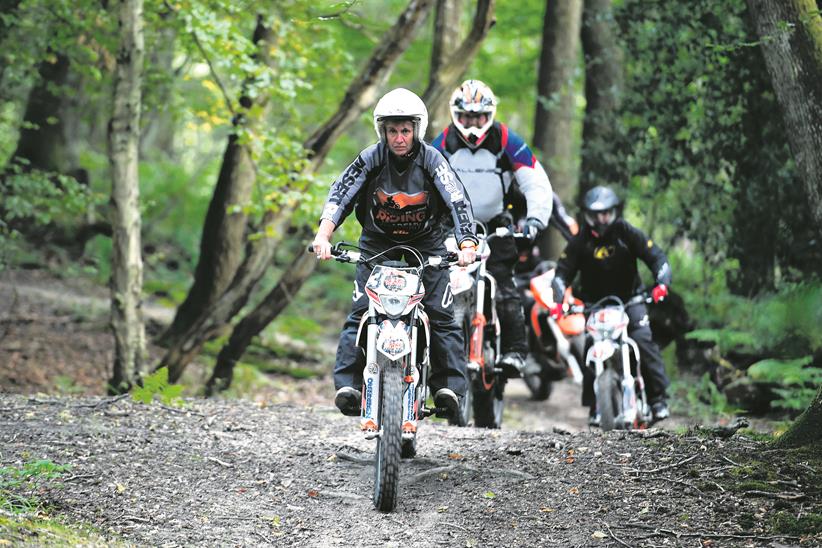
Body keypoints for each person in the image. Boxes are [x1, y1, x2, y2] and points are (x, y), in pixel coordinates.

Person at [312, 87, 478, 419]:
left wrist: (467, 243)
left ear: (417, 129)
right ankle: (350, 386)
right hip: (377, 241)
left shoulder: (432, 159)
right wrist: (323, 234)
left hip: (427, 241)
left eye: (405, 130)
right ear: (383, 132)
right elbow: (341, 194)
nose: (399, 138)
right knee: (362, 311)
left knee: (441, 314)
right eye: (392, 130)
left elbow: (456, 198)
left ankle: (449, 389)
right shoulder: (371, 158)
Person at [431, 79, 553, 377]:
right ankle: (433, 357)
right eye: (467, 117)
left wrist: (535, 218)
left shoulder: (508, 141)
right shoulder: (441, 143)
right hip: (453, 226)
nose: (473, 124)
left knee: (504, 285)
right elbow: (423, 182)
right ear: (455, 115)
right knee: (437, 284)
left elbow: (535, 181)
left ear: (491, 115)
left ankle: (514, 352)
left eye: (480, 117)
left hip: (497, 226)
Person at [549, 186, 672, 424]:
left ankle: (658, 399)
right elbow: (562, 272)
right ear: (587, 215)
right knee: (588, 347)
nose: (601, 219)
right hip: (595, 306)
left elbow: (656, 256)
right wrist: (559, 297)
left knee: (643, 341)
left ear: (613, 212)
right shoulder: (580, 239)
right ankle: (595, 405)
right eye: (595, 214)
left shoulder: (626, 232)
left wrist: (661, 283)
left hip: (631, 301)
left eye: (605, 213)